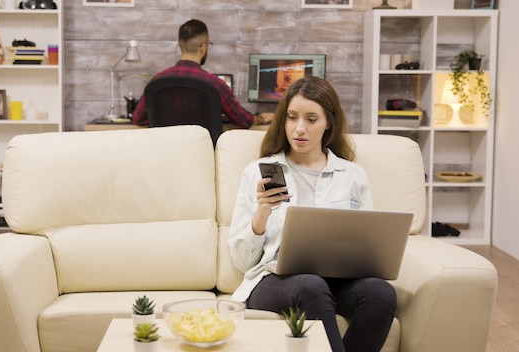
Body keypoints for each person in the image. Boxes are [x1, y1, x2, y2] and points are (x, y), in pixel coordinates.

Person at [228, 76, 396, 352]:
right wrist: (262, 213)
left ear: (329, 122)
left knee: (380, 293)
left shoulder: (351, 175)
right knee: (311, 286)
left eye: (311, 119)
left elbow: (370, 247)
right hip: (273, 280)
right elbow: (242, 261)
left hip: (337, 281)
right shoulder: (260, 171)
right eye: (292, 117)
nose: (299, 129)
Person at [132, 19, 273, 128]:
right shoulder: (215, 84)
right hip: (203, 158)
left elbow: (138, 119)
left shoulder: (157, 81)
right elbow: (243, 120)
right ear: (204, 47)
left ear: (180, 46)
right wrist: (262, 117)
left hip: (165, 156)